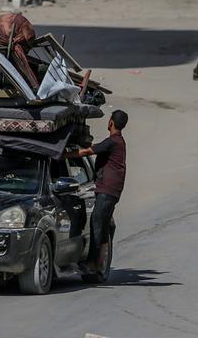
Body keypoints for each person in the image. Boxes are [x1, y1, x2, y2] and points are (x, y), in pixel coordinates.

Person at [65, 110, 128, 274]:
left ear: (111, 123)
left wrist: (63, 155)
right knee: (104, 224)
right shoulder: (118, 142)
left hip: (107, 190)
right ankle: (101, 264)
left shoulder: (113, 142)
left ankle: (93, 263)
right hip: (111, 190)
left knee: (97, 223)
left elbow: (87, 152)